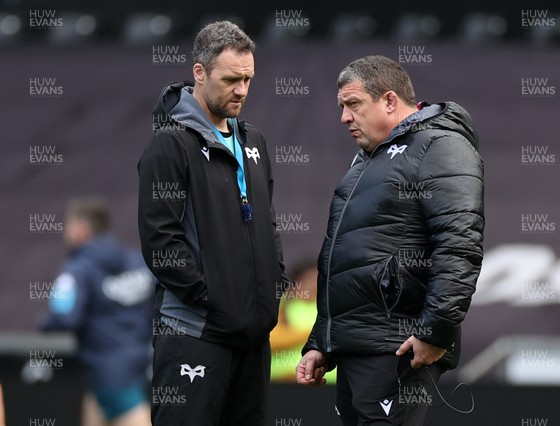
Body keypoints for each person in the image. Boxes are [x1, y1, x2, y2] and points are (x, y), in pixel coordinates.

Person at [296, 55, 485, 425]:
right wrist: (323, 342)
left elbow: (460, 245)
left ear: (389, 100)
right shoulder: (365, 160)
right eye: (342, 107)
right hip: (359, 346)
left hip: (399, 347)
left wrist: (435, 331)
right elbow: (346, 260)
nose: (344, 117)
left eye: (354, 104)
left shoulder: (440, 146)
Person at [137, 21, 289, 426]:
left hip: (252, 337)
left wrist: (269, 289)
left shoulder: (253, 140)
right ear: (200, 73)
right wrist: (215, 298)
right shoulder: (170, 143)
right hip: (195, 335)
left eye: (248, 79)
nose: (241, 90)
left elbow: (268, 225)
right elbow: (160, 242)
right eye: (230, 79)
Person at [42, 196, 154, 426]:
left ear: (81, 229)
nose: (65, 232)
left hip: (111, 376)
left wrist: (45, 323)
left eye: (68, 225)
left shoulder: (77, 270)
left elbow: (64, 316)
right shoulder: (136, 261)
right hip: (141, 366)